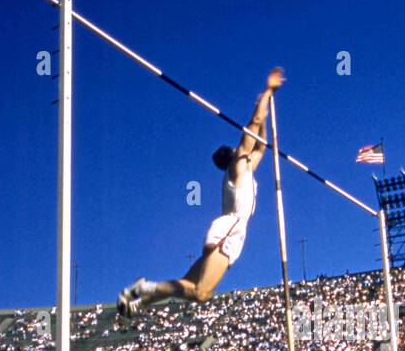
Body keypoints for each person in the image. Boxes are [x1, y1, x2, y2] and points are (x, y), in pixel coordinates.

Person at [117, 68, 286, 317]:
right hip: (230, 229)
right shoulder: (238, 166)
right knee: (201, 293)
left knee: (187, 284)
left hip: (233, 231)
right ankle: (142, 287)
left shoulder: (245, 170)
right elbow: (254, 126)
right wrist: (269, 90)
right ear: (233, 155)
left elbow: (261, 143)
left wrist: (267, 102)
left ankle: (138, 302)